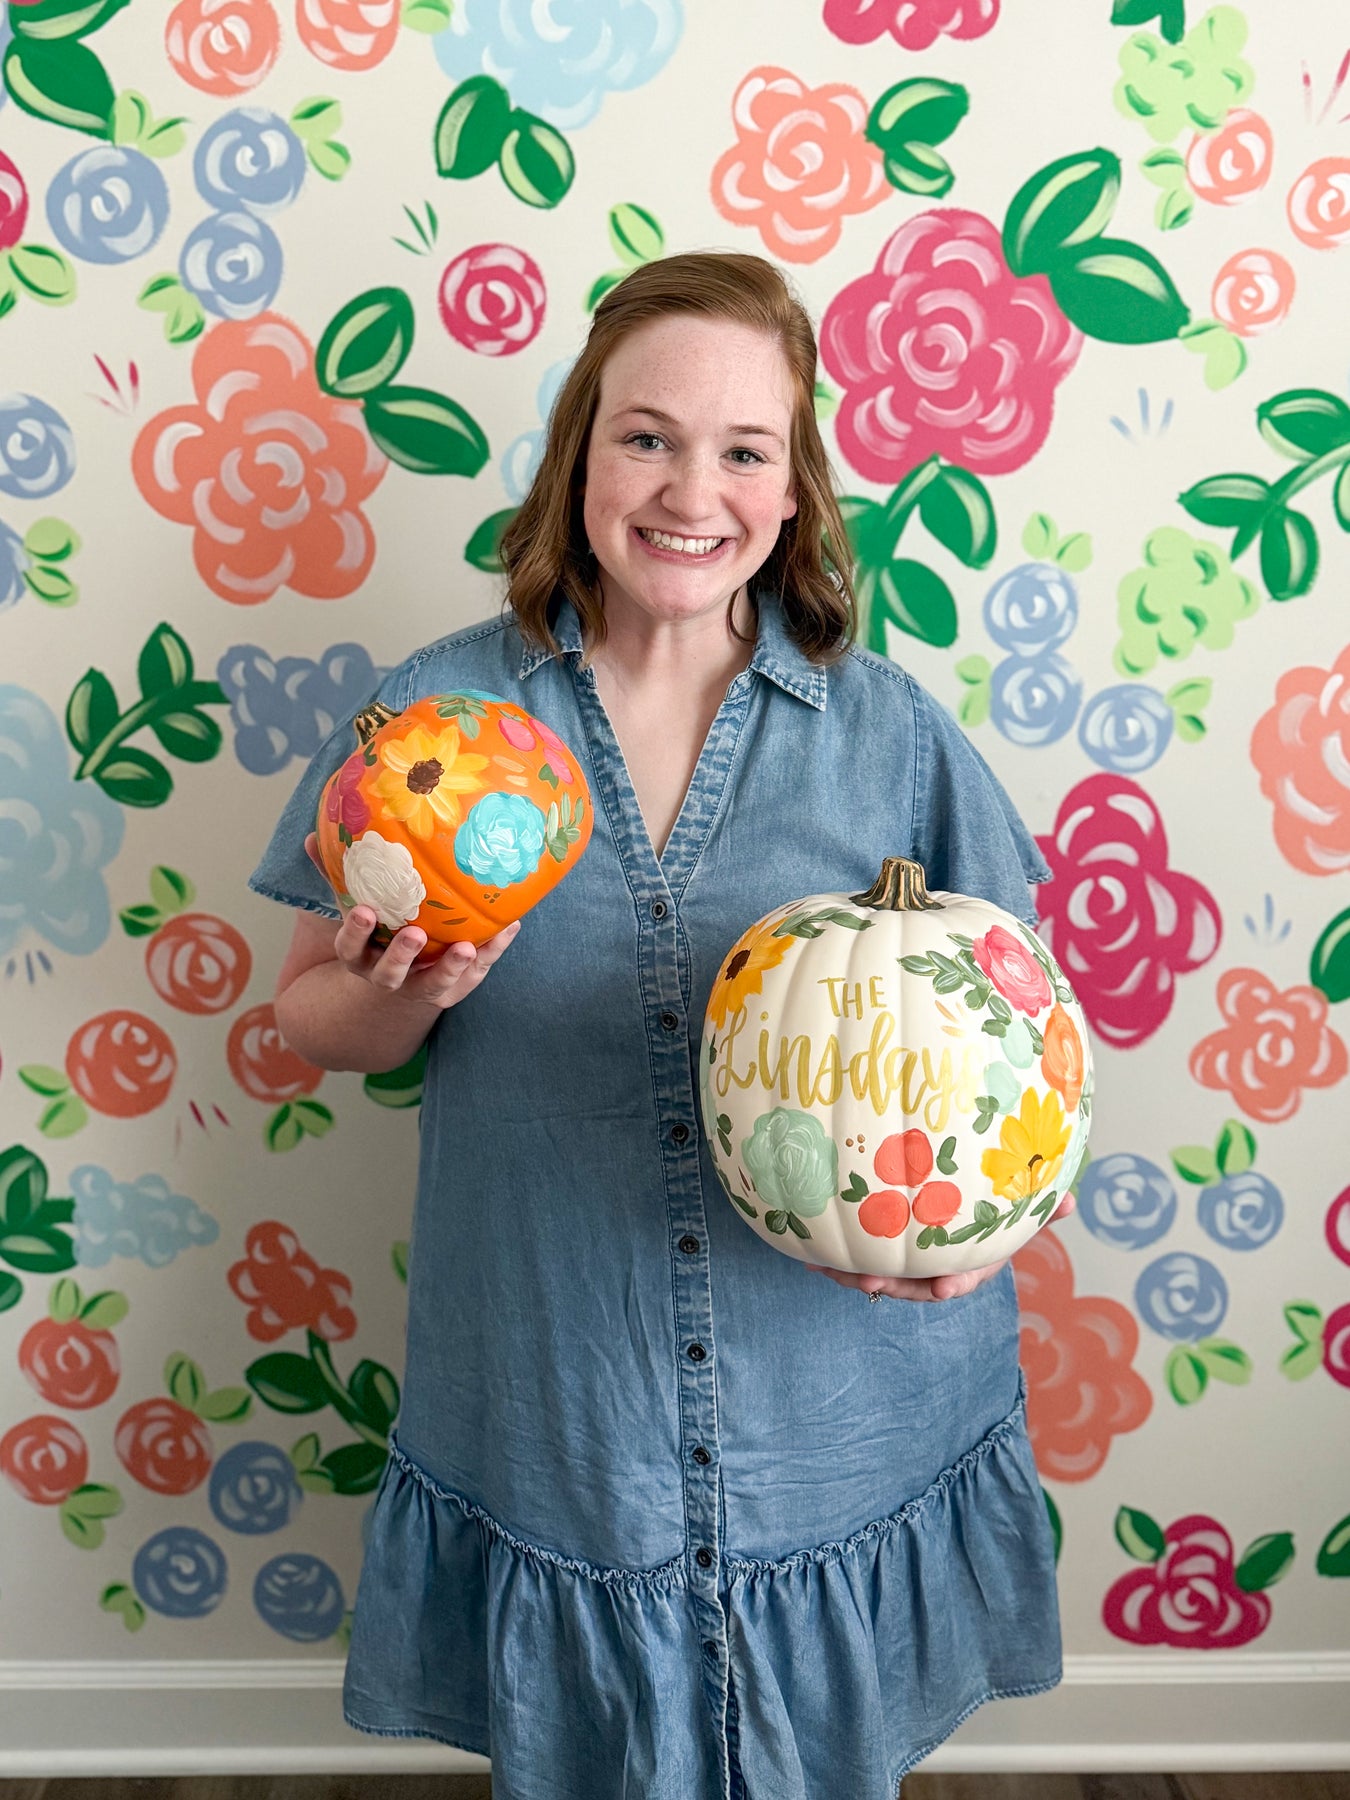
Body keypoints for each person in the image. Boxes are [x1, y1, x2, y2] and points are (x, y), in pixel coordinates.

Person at [249, 250, 1073, 1800]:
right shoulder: (435, 725)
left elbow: (1020, 1046)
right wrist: (397, 990)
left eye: (743, 450)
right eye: (646, 437)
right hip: (568, 1391)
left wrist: (989, 1232)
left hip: (830, 1392)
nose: (692, 491)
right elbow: (313, 1023)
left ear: (793, 488)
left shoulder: (890, 736)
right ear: (581, 455)